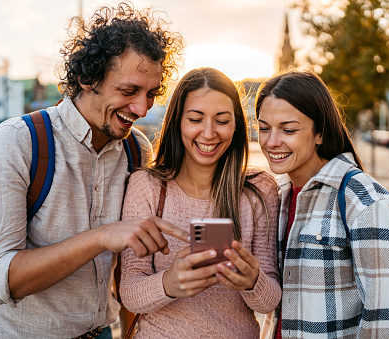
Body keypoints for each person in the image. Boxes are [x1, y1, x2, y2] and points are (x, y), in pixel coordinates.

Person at [0, 3, 187, 338]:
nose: (141, 108)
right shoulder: (18, 142)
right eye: (128, 91)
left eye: (151, 94)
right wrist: (100, 238)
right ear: (86, 79)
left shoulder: (136, 149)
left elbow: (130, 269)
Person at [257, 70, 389, 338]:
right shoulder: (280, 196)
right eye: (264, 128)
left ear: (319, 133)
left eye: (288, 129)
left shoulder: (367, 205)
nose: (271, 141)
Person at [119, 67, 281, 338]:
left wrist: (253, 281)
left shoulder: (259, 189)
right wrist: (169, 283)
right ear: (178, 122)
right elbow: (129, 294)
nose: (208, 133)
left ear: (236, 125)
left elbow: (269, 301)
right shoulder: (146, 186)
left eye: (221, 120)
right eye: (195, 119)